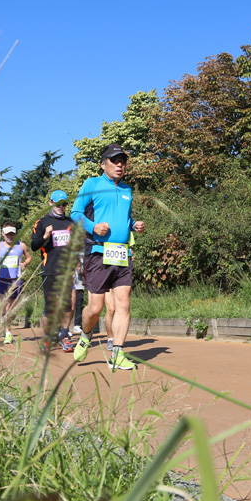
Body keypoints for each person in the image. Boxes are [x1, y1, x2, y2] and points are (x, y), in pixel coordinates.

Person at [70, 143, 146, 371]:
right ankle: (85, 335)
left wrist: (135, 224)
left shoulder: (127, 190)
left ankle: (118, 353)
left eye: (123, 161)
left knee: (123, 304)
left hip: (123, 253)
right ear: (104, 164)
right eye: (115, 161)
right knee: (95, 308)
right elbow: (75, 213)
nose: (120, 165)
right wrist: (93, 227)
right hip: (98, 252)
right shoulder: (92, 184)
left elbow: (126, 217)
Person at [31, 190, 77, 352]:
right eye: (58, 204)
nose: (61, 207)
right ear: (51, 203)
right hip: (49, 269)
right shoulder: (42, 222)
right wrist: (45, 235)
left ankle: (64, 335)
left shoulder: (71, 223)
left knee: (66, 305)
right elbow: (34, 246)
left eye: (64, 204)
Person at [0, 221, 32, 344]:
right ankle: (7, 332)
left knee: (13, 309)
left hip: (16, 281)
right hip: (1, 280)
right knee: (5, 307)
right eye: (7, 234)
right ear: (2, 234)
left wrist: (24, 264)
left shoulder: (21, 246)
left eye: (12, 234)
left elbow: (29, 257)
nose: (10, 236)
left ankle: (8, 323)